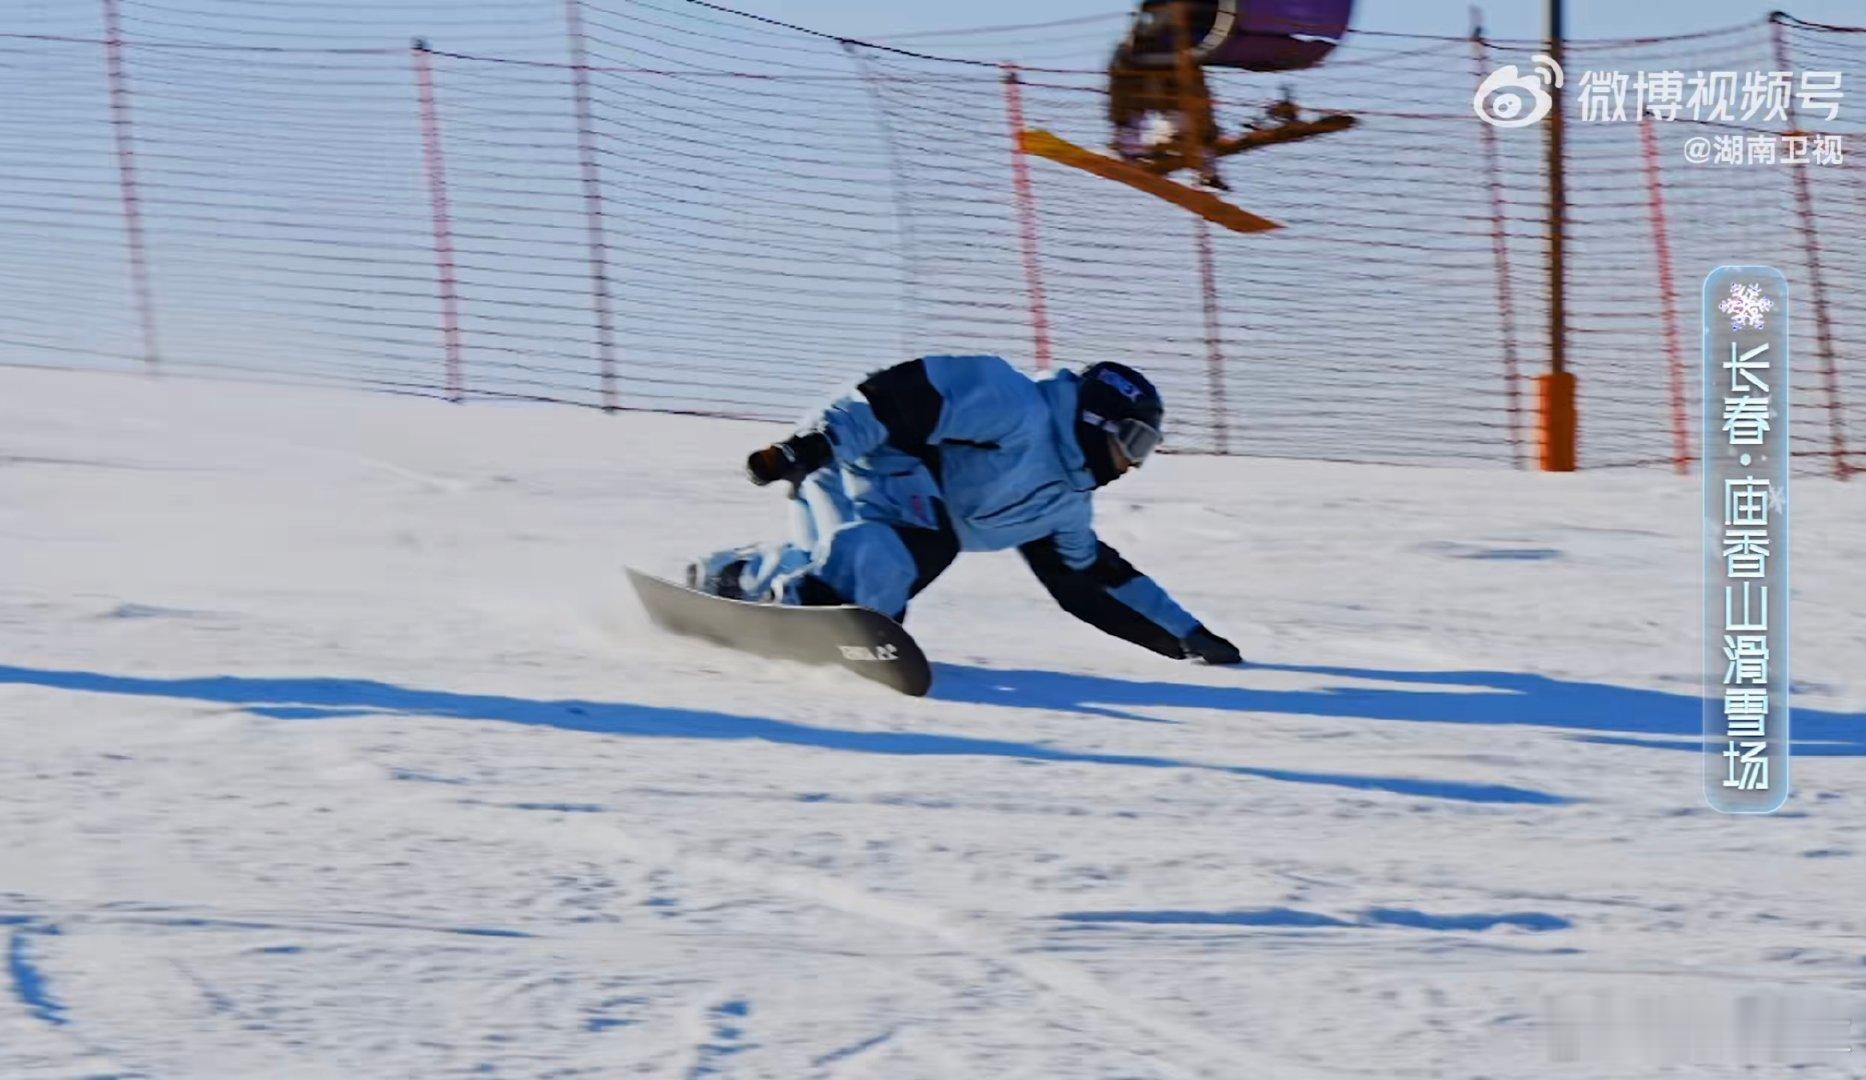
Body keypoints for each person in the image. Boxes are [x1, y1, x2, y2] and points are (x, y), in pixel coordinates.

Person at [687, 355, 1243, 665]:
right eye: (1135, 442)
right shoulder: (1017, 406)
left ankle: (733, 578)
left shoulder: (1066, 505)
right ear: (1099, 419)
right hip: (862, 446)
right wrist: (806, 449)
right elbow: (896, 398)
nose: (1133, 464)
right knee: (921, 540)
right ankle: (816, 601)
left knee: (876, 552)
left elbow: (1093, 578)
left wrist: (1185, 636)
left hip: (884, 494)